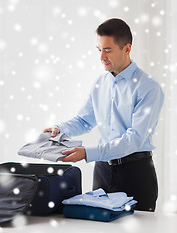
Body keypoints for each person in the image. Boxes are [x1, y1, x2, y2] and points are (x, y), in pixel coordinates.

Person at [43, 18, 164, 212]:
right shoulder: (100, 83)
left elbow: (134, 139)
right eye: (98, 50)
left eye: (107, 50)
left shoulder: (149, 88)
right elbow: (84, 120)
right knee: (99, 226)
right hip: (103, 171)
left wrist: (88, 153)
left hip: (135, 173)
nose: (101, 57)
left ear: (126, 49)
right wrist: (60, 128)